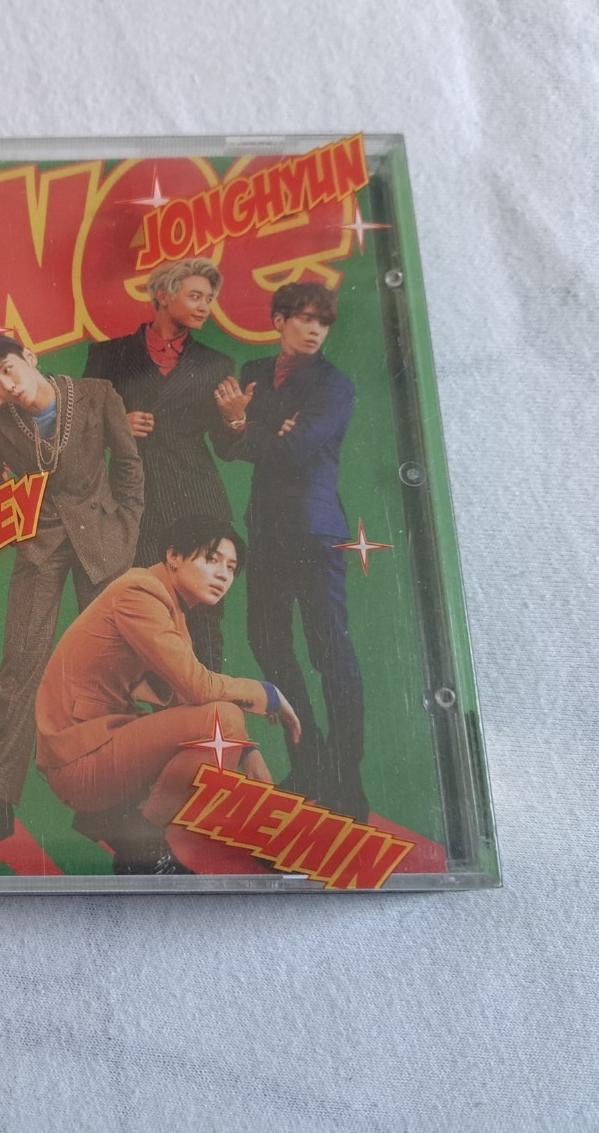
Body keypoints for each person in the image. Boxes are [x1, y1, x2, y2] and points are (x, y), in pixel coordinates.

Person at [0, 334, 144, 859]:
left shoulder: (97, 394)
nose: (7, 386)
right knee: (20, 669)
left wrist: (126, 528)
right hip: (40, 549)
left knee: (111, 670)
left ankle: (124, 806)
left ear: (30, 357)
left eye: (9, 370)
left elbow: (128, 465)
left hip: (103, 541)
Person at [33, 515, 300, 874]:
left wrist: (247, 751)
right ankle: (142, 844)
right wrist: (267, 693)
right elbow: (198, 686)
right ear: (173, 556)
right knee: (222, 719)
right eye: (212, 559)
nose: (223, 575)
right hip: (78, 757)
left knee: (221, 725)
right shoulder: (140, 592)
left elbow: (186, 700)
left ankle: (148, 838)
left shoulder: (169, 609)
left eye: (231, 567)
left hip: (102, 745)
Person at [213, 281, 367, 820]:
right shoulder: (253, 371)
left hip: (315, 532)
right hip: (268, 531)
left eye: (323, 322)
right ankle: (311, 765)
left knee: (330, 655)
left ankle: (348, 785)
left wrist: (246, 426)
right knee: (267, 642)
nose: (315, 330)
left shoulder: (335, 385)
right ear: (279, 320)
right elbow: (226, 445)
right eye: (304, 318)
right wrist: (246, 427)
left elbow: (295, 451)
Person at [84, 257, 237, 671]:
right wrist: (117, 427)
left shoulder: (215, 365)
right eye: (196, 296)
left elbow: (225, 448)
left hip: (197, 499)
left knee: (204, 619)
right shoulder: (108, 356)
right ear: (163, 296)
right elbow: (78, 433)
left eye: (209, 299)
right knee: (144, 614)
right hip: (135, 501)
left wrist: (234, 418)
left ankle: (208, 706)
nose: (205, 306)